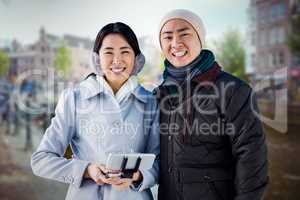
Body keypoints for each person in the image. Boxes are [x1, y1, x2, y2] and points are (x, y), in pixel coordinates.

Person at [31, 22, 159, 200]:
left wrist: (139, 175)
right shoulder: (74, 99)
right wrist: (86, 170)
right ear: (97, 58)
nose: (117, 60)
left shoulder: (151, 102)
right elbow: (41, 160)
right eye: (108, 52)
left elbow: (159, 162)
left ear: (136, 59)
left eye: (125, 51)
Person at [155, 9, 268, 200]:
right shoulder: (160, 93)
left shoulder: (233, 89)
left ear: (200, 39)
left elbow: (251, 155)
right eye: (167, 37)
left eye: (184, 34)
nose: (175, 43)